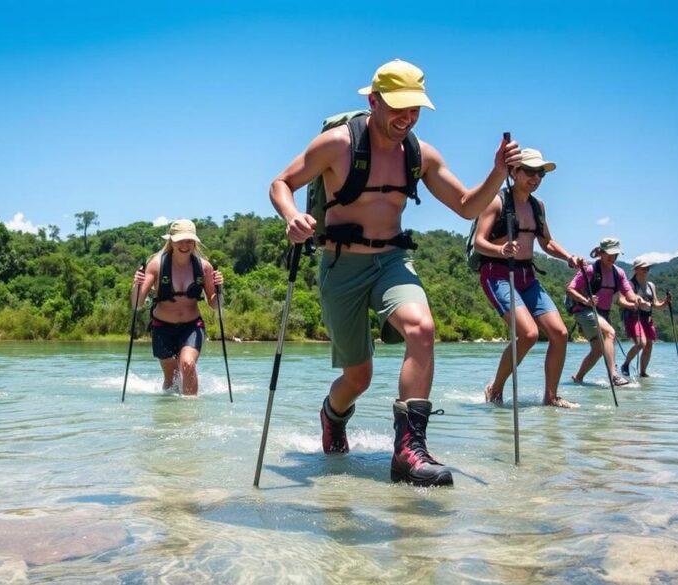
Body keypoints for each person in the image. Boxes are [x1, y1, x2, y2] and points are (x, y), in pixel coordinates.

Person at [268, 58, 522, 487]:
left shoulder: (419, 154)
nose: (407, 118)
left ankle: (408, 452)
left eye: (415, 109)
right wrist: (291, 217)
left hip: (391, 262)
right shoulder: (337, 144)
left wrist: (498, 172)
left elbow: (465, 206)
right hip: (340, 265)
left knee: (422, 329)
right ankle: (332, 418)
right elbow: (281, 183)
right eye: (398, 108)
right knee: (358, 376)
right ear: (373, 100)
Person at [473, 147, 585, 409]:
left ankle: (551, 396)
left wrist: (569, 257)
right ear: (514, 172)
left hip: (527, 276)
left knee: (559, 333)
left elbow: (546, 242)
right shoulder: (497, 201)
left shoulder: (538, 206)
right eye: (530, 172)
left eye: (540, 173)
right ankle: (495, 389)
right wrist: (500, 249)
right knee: (529, 334)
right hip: (497, 274)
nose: (536, 178)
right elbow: (479, 242)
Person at [131, 219, 223, 395]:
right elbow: (137, 304)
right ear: (171, 240)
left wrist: (220, 290)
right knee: (171, 378)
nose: (184, 245)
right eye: (180, 240)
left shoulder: (204, 267)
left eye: (189, 240)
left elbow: (214, 305)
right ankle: (170, 417)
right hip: (161, 327)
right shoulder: (156, 264)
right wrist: (136, 285)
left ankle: (190, 414)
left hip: (192, 326)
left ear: (195, 242)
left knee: (188, 364)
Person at [565, 237, 643, 387]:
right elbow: (569, 289)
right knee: (610, 333)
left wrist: (637, 300)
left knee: (598, 350)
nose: (612, 258)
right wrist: (585, 300)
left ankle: (578, 377)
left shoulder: (618, 273)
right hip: (585, 310)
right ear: (601, 253)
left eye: (615, 255)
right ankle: (614, 375)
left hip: (604, 315)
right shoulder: (589, 270)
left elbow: (629, 293)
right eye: (609, 254)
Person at [620, 259, 672, 377]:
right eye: (643, 268)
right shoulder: (630, 284)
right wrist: (635, 303)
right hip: (633, 317)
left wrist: (665, 302)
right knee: (641, 343)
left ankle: (643, 373)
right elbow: (622, 300)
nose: (646, 270)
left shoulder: (651, 285)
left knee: (649, 344)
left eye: (647, 268)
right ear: (636, 269)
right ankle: (626, 364)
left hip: (647, 318)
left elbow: (656, 304)